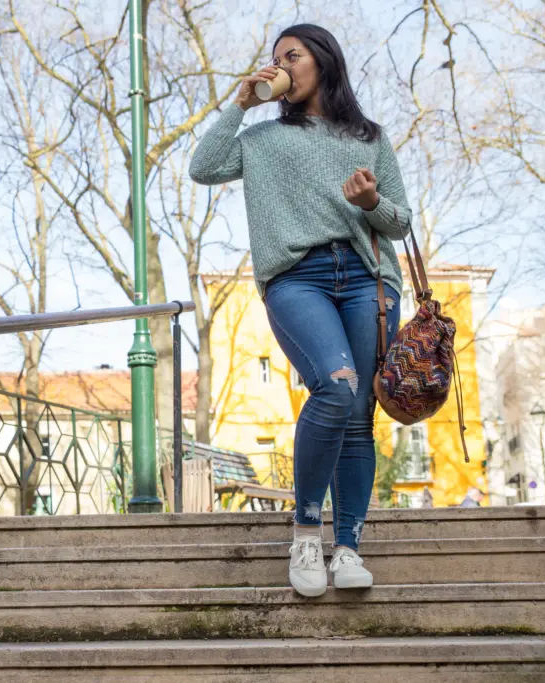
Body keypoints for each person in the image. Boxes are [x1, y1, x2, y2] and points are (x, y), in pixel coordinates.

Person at [189, 24, 410, 597]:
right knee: (336, 386)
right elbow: (204, 167)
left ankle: (349, 548)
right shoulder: (261, 140)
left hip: (367, 279)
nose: (278, 65)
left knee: (359, 413)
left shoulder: (369, 137)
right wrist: (238, 105)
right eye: (274, 58)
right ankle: (307, 533)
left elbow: (400, 222)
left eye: (291, 55)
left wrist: (371, 202)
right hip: (296, 278)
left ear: (323, 62)